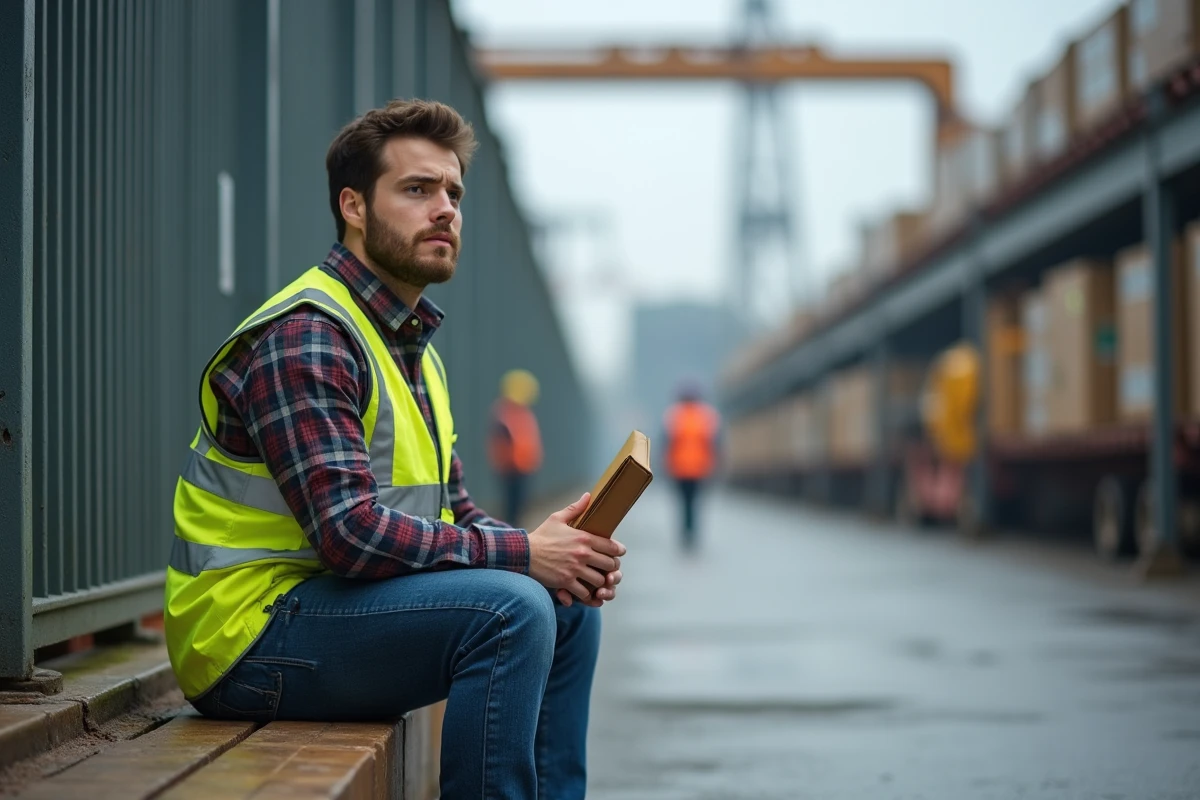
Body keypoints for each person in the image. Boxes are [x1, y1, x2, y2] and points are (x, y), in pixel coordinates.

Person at [164, 99, 625, 800]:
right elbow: (348, 534)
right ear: (353, 206)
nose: (444, 209)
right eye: (417, 190)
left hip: (326, 608)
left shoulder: (409, 350)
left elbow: (458, 512)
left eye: (453, 193)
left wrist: (560, 552)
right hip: (247, 639)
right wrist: (524, 555)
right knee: (512, 609)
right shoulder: (311, 333)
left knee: (562, 604)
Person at [662, 382, 720, 552]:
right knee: (694, 502)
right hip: (700, 469)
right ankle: (691, 533)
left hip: (679, 468)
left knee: (683, 502)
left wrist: (666, 464)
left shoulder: (674, 415)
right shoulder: (707, 415)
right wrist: (714, 465)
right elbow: (714, 443)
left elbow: (667, 442)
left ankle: (686, 533)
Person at [488, 369, 545, 527]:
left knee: (519, 506)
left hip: (524, 467)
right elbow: (500, 443)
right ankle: (510, 533)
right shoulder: (505, 413)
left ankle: (514, 531)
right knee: (511, 507)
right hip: (512, 470)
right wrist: (505, 463)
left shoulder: (521, 413)